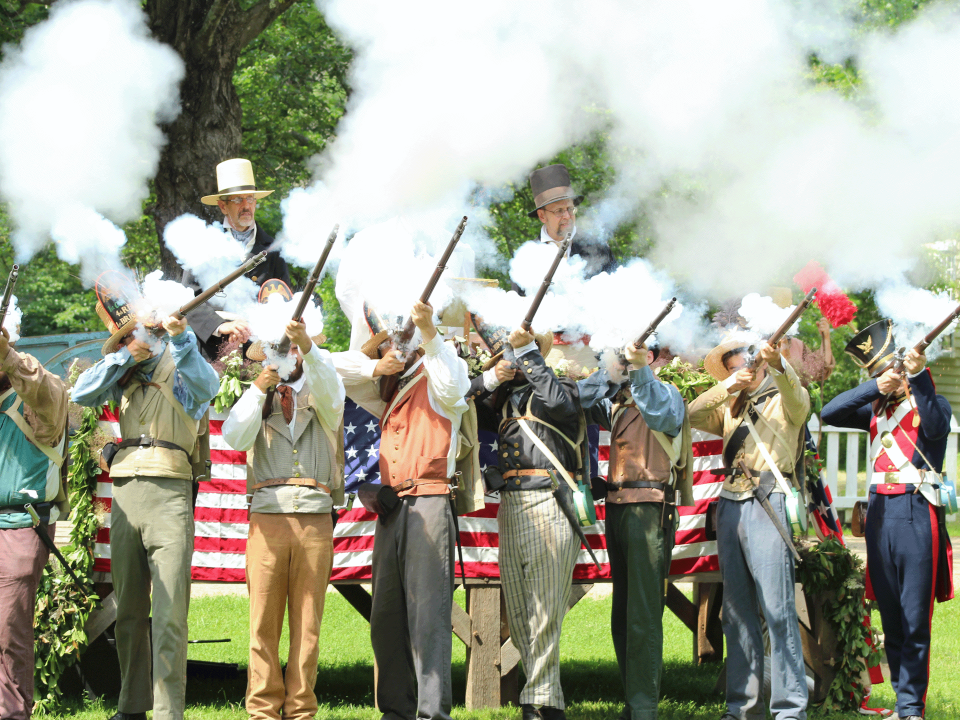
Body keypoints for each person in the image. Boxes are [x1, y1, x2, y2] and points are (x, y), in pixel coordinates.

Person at [71, 288, 220, 720]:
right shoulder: (124, 368)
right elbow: (81, 392)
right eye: (122, 338)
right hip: (125, 492)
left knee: (171, 611)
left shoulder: (182, 358)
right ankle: (131, 707)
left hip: (170, 488)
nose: (124, 343)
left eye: (128, 336)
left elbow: (207, 386)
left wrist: (182, 337)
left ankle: (167, 711)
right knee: (130, 611)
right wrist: (126, 356)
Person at [333, 300, 469, 720]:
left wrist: (429, 334)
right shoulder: (387, 385)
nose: (396, 348)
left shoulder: (443, 369)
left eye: (401, 342)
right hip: (393, 508)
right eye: (393, 343)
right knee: (387, 619)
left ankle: (432, 714)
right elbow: (330, 367)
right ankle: (396, 711)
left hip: (429, 499)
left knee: (429, 620)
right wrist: (377, 365)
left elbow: (453, 386)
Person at [821, 319, 953, 720]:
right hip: (879, 514)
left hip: (916, 511)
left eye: (886, 371)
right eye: (878, 374)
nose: (883, 378)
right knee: (892, 616)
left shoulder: (931, 402)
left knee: (914, 617)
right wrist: (874, 388)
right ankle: (903, 702)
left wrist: (919, 374)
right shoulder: (874, 409)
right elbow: (829, 412)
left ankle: (912, 708)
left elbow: (935, 425)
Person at [221, 318, 345, 720]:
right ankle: (262, 710)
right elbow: (234, 436)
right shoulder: (257, 395)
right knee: (262, 622)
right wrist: (259, 388)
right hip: (268, 516)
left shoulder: (323, 387)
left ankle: (301, 709)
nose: (289, 355)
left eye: (295, 349)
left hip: (314, 516)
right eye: (282, 348)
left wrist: (307, 344)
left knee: (308, 624)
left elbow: (332, 395)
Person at [688, 338, 809, 720]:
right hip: (730, 503)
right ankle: (742, 708)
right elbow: (690, 414)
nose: (743, 366)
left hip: (768, 500)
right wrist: (728, 387)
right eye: (732, 365)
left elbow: (797, 398)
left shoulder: (786, 395)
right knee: (736, 612)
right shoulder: (730, 403)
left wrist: (779, 366)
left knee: (778, 609)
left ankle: (790, 709)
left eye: (747, 360)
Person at [467, 326, 581, 720]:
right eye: (504, 356)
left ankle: (540, 703)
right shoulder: (501, 400)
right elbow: (458, 395)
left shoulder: (557, 386)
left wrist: (527, 353)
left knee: (545, 610)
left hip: (549, 499)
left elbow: (560, 405)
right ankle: (546, 700)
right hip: (512, 505)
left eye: (512, 356)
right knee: (519, 612)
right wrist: (491, 376)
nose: (509, 362)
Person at [577, 343, 692, 720]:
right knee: (623, 612)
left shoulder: (665, 392)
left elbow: (660, 414)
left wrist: (639, 368)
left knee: (643, 612)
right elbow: (578, 399)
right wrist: (610, 369)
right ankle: (634, 698)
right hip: (618, 507)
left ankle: (643, 707)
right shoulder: (618, 399)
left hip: (648, 509)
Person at [0, 324, 69, 719]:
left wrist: (7, 355)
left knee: (9, 634)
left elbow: (43, 387)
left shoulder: (38, 400)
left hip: (18, 526)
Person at [185, 158, 291, 359]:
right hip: (217, 354)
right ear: (223, 206)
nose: (246, 206)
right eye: (237, 199)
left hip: (263, 353)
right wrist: (221, 325)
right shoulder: (203, 245)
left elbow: (284, 296)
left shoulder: (273, 250)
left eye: (250, 198)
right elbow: (189, 299)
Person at [524, 163, 616, 280]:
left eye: (570, 209)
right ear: (542, 216)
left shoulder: (599, 248)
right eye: (559, 211)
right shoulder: (527, 257)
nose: (567, 216)